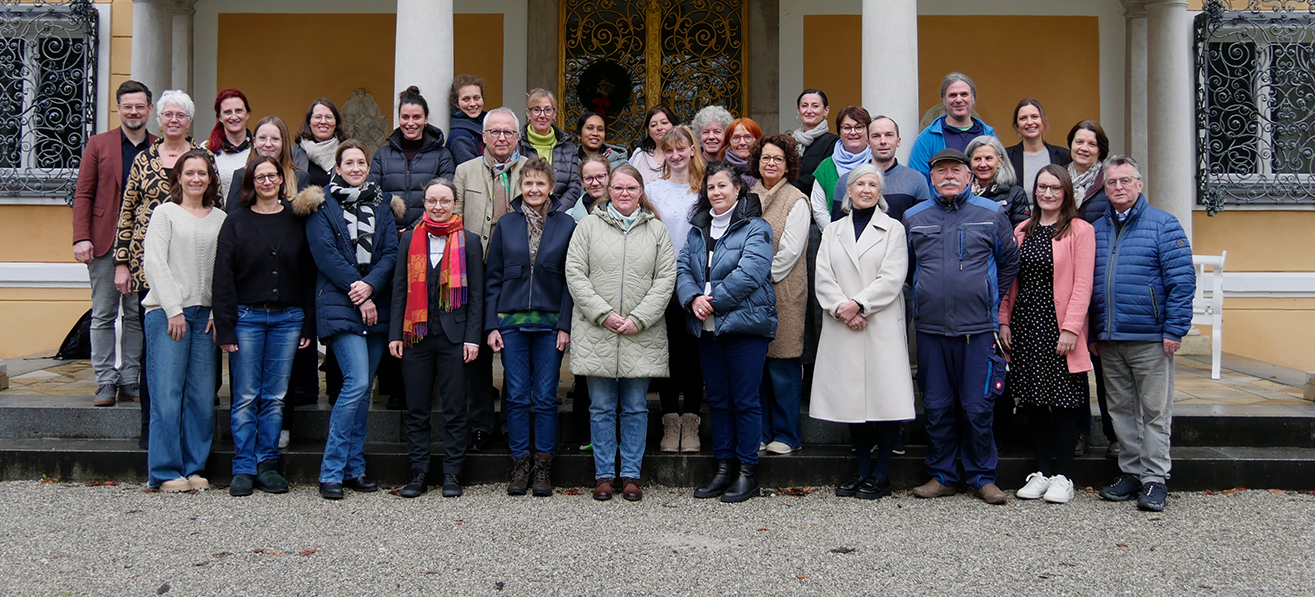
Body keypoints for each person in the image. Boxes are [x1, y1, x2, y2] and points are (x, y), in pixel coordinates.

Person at [905, 148, 1019, 505]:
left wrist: (987, 298)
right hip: (931, 331)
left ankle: (983, 477)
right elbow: (906, 268)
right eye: (942, 171)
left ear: (970, 176)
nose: (949, 175)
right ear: (932, 178)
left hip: (978, 330)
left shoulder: (992, 213)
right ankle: (942, 475)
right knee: (936, 406)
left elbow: (1009, 262)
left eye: (956, 169)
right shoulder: (914, 216)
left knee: (977, 406)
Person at [294, 139, 403, 500]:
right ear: (337, 168)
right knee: (355, 383)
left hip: (376, 302)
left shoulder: (383, 204)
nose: (355, 168)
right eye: (349, 163)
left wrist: (370, 286)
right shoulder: (321, 205)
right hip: (340, 302)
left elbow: (390, 252)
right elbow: (324, 253)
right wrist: (358, 288)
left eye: (361, 162)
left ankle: (355, 468)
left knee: (362, 389)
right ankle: (331, 470)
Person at [566, 163, 677, 501]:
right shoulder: (587, 227)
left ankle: (630, 474)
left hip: (641, 333)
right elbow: (575, 273)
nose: (624, 194)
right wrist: (604, 315)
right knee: (600, 407)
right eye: (618, 188)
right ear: (608, 191)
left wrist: (638, 318)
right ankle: (603, 474)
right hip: (597, 330)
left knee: (635, 407)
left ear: (641, 191)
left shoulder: (657, 231)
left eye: (631, 188)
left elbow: (665, 279)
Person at [1092, 155, 1195, 513]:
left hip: (1151, 337)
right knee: (1121, 411)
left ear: (1139, 184)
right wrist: (1094, 331)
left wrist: (1174, 329)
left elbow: (1182, 283)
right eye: (1111, 183)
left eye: (1125, 181)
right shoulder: (1097, 229)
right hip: (1110, 337)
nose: (1118, 187)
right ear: (1104, 189)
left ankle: (1155, 479)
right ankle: (1131, 473)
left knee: (1154, 411)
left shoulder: (1163, 225)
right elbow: (1090, 285)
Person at [810, 163, 914, 500]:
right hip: (845, 324)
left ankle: (881, 473)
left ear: (880, 192)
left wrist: (859, 304)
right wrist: (843, 307)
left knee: (883, 401)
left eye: (873, 184)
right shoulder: (832, 231)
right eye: (860, 184)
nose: (866, 189)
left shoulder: (894, 229)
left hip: (878, 322)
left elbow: (893, 277)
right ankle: (862, 471)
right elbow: (823, 275)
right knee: (853, 401)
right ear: (848, 191)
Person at [212, 155, 314, 497]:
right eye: (260, 177)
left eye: (273, 176)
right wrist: (225, 326)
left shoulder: (297, 220)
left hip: (288, 319)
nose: (267, 182)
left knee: (274, 396)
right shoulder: (236, 222)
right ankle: (243, 465)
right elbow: (223, 277)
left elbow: (309, 274)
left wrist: (307, 326)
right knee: (245, 395)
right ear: (250, 183)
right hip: (247, 318)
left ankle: (267, 463)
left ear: (282, 180)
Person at [678, 161, 776, 503]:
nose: (716, 192)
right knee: (718, 400)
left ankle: (747, 473)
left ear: (738, 189)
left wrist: (713, 301)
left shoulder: (756, 227)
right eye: (711, 187)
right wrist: (692, 299)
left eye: (723, 186)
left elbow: (752, 273)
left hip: (745, 327)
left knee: (744, 401)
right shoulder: (697, 229)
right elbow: (682, 268)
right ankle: (723, 468)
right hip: (707, 328)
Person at [115, 89, 208, 449]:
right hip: (148, 263)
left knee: (193, 355)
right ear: (159, 119)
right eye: (168, 115)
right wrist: (122, 261)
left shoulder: (202, 157)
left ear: (188, 120)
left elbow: (212, 204)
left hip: (191, 265)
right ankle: (150, 425)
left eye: (180, 115)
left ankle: (186, 428)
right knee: (154, 350)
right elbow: (128, 209)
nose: (173, 120)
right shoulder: (143, 159)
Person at [998, 165, 1095, 505]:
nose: (1048, 193)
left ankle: (1064, 476)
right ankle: (1041, 473)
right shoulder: (1023, 229)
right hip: (1026, 325)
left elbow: (1083, 283)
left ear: (1066, 192)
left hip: (1058, 327)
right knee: (1035, 403)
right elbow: (1010, 280)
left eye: (1055, 187)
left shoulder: (1080, 230)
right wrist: (1004, 320)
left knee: (1063, 404)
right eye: (1042, 187)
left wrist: (1071, 328)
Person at [483, 157, 575, 497]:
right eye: (528, 183)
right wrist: (492, 324)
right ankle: (520, 461)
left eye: (540, 183)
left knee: (546, 397)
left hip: (551, 325)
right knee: (518, 396)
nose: (534, 189)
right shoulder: (506, 225)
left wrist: (565, 324)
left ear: (551, 187)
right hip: (512, 324)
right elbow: (492, 279)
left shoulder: (566, 225)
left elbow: (571, 281)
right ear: (520, 188)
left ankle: (543, 465)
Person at [388, 178, 484, 499]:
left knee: (455, 408)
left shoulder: (469, 242)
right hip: (415, 335)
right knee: (417, 409)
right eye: (432, 201)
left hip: (454, 337)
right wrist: (395, 334)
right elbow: (400, 289)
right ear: (424, 203)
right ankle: (418, 472)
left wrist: (472, 338)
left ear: (455, 203)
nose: (438, 207)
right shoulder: (409, 240)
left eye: (444, 201)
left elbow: (477, 296)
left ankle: (453, 473)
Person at [141, 149, 226, 492]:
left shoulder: (220, 218)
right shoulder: (165, 214)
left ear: (210, 179)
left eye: (202, 173)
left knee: (202, 396)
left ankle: (194, 468)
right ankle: (164, 472)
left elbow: (225, 271)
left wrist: (219, 311)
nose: (195, 178)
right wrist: (174, 308)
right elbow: (155, 263)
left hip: (206, 316)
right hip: (167, 313)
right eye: (189, 172)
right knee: (166, 394)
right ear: (178, 177)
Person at [73, 80, 155, 408]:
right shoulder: (98, 144)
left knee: (136, 314)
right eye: (127, 106)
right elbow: (83, 193)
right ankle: (105, 380)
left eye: (139, 106)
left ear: (149, 110)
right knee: (104, 313)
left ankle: (130, 379)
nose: (133, 112)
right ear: (118, 108)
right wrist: (81, 237)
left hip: (145, 245)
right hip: (104, 242)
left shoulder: (159, 145)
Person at [454, 106, 528, 451]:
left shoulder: (530, 170)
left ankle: (513, 424)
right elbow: (454, 220)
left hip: (517, 275)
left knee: (515, 348)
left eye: (508, 133)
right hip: (474, 271)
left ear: (517, 137)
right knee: (477, 350)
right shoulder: (464, 171)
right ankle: (481, 423)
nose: (501, 138)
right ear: (483, 137)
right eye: (495, 132)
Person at [645, 126, 706, 453]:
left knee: (693, 352)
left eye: (682, 149)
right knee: (666, 352)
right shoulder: (654, 190)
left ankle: (691, 421)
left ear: (692, 150)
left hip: (696, 281)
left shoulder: (704, 190)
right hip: (663, 280)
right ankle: (670, 420)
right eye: (670, 150)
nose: (676, 155)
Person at [750, 135, 809, 455]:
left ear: (788, 165)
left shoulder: (796, 199)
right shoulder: (746, 196)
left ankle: (787, 434)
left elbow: (789, 251)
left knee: (783, 366)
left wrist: (755, 275)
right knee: (756, 365)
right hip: (749, 294)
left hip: (783, 290)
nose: (770, 163)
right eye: (765, 158)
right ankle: (761, 431)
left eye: (777, 159)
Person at [1067, 119, 1115, 456]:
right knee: (1076, 366)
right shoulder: (1058, 179)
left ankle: (1115, 435)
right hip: (1066, 282)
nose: (1084, 148)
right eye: (1079, 141)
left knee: (1106, 367)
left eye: (1091, 143)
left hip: (1099, 281)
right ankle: (1080, 432)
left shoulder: (1107, 182)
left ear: (1100, 150)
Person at [370, 86, 458, 229]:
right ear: (399, 118)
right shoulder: (382, 155)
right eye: (405, 117)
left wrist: (413, 228)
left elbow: (445, 197)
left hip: (428, 232)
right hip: (388, 233)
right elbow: (372, 195)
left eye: (417, 117)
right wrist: (390, 230)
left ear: (426, 119)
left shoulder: (442, 155)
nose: (410, 123)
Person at [909, 73, 996, 179]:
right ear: (944, 101)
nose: (959, 100)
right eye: (953, 95)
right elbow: (917, 183)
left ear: (973, 99)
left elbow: (1000, 175)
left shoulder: (989, 135)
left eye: (964, 94)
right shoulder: (927, 138)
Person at [226, 116, 310, 211]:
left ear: (284, 143)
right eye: (262, 138)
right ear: (254, 142)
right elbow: (232, 217)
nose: (268, 144)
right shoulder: (241, 176)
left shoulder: (300, 178)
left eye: (275, 139)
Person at [808, 105, 871, 229]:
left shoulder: (876, 163)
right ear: (839, 131)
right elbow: (819, 208)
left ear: (868, 130)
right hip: (835, 240)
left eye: (859, 127)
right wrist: (835, 235)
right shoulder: (826, 166)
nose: (853, 133)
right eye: (847, 128)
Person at [517, 88, 581, 209]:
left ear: (554, 114)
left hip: (559, 215)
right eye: (536, 110)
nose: (542, 115)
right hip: (523, 213)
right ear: (528, 113)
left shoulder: (568, 147)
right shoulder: (517, 144)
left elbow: (574, 186)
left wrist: (555, 212)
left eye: (547, 110)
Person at [1005, 99, 1071, 198]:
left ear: (1044, 121)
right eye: (1023, 118)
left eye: (1034, 117)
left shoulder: (1064, 156)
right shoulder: (1007, 157)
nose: (1030, 122)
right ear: (1017, 126)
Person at [966, 135, 1031, 227]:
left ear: (999, 161)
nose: (983, 164)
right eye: (977, 159)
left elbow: (1020, 232)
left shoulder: (1015, 194)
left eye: (988, 158)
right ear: (970, 163)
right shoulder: (963, 193)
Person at [790, 89, 840, 195]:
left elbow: (819, 177)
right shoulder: (790, 141)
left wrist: (785, 184)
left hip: (814, 203)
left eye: (815, 106)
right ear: (798, 111)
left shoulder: (833, 143)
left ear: (826, 111)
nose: (809, 110)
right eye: (804, 106)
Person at [207, 89, 252, 199]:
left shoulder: (260, 148)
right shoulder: (207, 150)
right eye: (227, 112)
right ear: (220, 117)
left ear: (247, 114)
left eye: (239, 111)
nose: (234, 116)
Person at [293, 98, 346, 188]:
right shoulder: (292, 153)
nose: (323, 122)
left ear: (336, 123)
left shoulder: (346, 152)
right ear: (309, 122)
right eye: (318, 117)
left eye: (328, 117)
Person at [628, 105, 677, 184]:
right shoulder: (639, 155)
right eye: (653, 125)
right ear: (649, 132)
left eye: (664, 123)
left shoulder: (683, 155)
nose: (659, 128)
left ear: (674, 126)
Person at [447, 74, 487, 165]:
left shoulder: (489, 123)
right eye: (466, 99)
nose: (472, 103)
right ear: (457, 103)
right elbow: (471, 173)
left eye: (477, 98)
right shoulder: (459, 136)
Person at [566, 154, 611, 222]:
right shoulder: (569, 217)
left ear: (609, 177)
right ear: (582, 181)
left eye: (600, 177)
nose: (595, 183)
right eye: (589, 178)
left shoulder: (624, 212)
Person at [720, 117, 763, 188]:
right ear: (729, 142)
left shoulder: (766, 169)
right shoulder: (719, 170)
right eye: (736, 137)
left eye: (748, 137)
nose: (742, 142)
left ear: (757, 141)